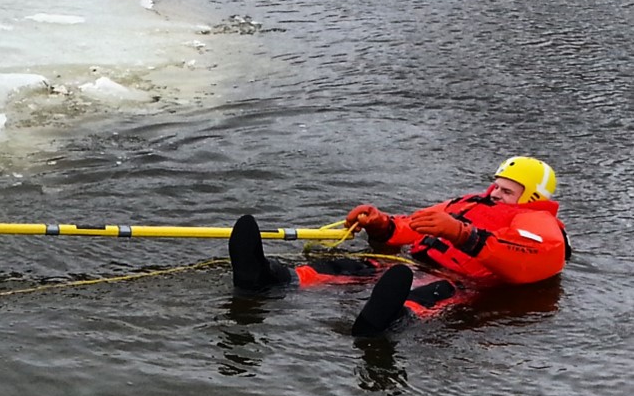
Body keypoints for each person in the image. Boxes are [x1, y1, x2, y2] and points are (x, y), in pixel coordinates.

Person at [229, 156, 570, 336]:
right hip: (418, 264)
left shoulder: (538, 223)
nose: (495, 193)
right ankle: (273, 277)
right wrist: (382, 224)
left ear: (531, 197)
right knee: (352, 266)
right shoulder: (467, 202)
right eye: (496, 186)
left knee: (429, 294)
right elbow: (413, 225)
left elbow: (532, 259)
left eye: (507, 190)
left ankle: (389, 320)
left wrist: (463, 235)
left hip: (463, 282)